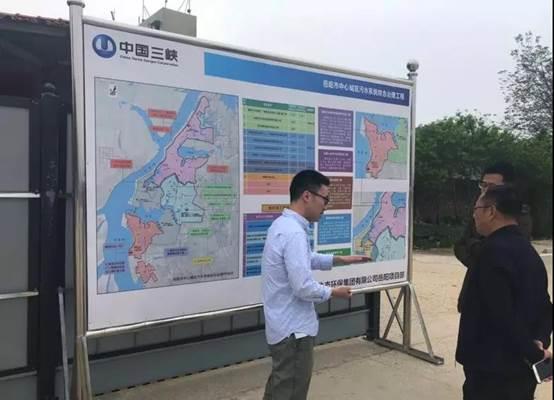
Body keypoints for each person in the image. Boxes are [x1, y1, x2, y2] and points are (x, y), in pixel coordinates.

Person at [261, 170, 370, 400]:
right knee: (290, 392)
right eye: (325, 199)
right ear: (307, 196)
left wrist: (340, 260)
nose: (325, 206)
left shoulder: (283, 225)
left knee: (279, 388)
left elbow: (304, 258)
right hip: (294, 332)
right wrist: (333, 292)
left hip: (283, 326)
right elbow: (302, 286)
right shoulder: (293, 233)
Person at [456, 185, 552, 400]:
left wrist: (535, 353)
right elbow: (545, 306)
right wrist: (540, 340)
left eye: (476, 209)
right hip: (523, 370)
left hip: (491, 370)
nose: (474, 215)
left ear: (491, 211)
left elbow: (501, 315)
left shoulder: (490, 254)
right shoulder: (529, 252)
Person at [454, 161, 532, 312]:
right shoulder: (480, 210)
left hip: (502, 300)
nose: (486, 191)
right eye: (483, 185)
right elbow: (460, 245)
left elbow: (503, 253)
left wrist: (477, 249)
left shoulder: (518, 215)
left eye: (492, 187)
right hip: (474, 294)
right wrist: (481, 261)